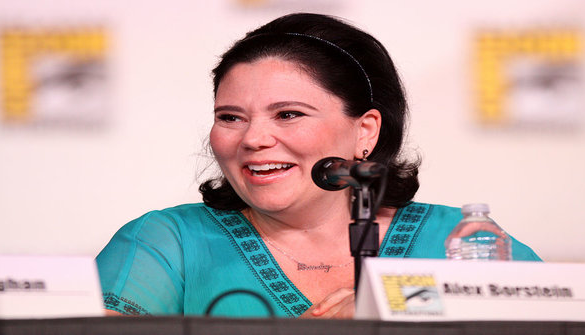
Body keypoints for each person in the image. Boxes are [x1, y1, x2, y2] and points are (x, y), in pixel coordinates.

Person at [96, 12, 541, 319]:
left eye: (289, 114)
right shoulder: (168, 242)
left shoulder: (459, 239)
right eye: (230, 117)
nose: (253, 139)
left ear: (365, 131)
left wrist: (399, 301)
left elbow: (571, 310)